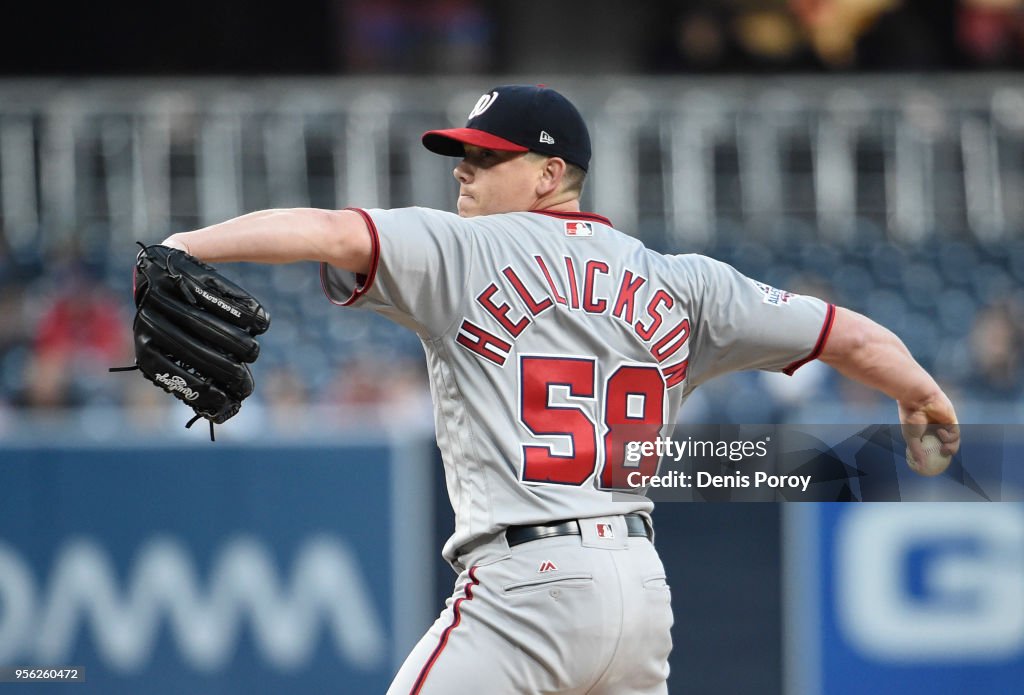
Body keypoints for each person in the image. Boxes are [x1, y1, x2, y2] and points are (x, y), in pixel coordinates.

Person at [157, 84, 959, 694]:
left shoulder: (462, 253)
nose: (464, 173)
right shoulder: (687, 283)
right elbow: (847, 334)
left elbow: (330, 232)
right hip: (640, 591)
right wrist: (922, 394)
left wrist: (183, 245)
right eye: (463, 155)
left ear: (549, 174)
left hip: (524, 588)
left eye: (487, 157)